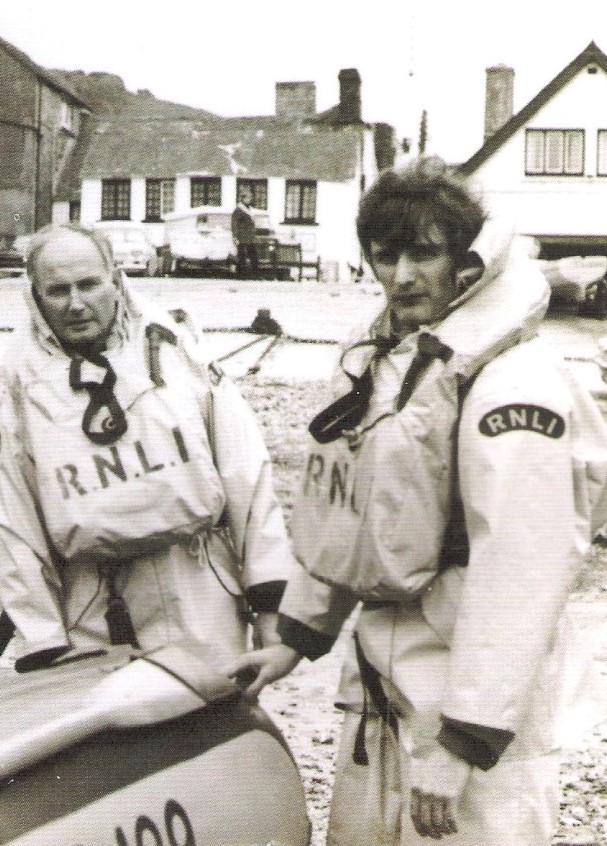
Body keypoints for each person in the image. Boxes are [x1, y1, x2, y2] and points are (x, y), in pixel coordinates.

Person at [230, 157, 607, 843]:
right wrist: (293, 638)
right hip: (380, 690)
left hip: (473, 719)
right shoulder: (389, 367)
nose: (401, 275)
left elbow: (520, 574)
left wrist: (463, 742)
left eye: (423, 254)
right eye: (385, 256)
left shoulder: (512, 386)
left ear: (467, 265)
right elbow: (354, 514)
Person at [0, 223, 294, 672]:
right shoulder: (24, 383)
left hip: (198, 586)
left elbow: (244, 471)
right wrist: (41, 637)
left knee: (210, 730)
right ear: (35, 296)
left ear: (115, 278)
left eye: (89, 284)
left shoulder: (175, 353)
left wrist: (270, 600)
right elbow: (15, 515)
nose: (76, 304)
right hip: (92, 604)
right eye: (58, 291)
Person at [232, 201, 258, 278]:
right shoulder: (238, 210)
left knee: (252, 255)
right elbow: (234, 223)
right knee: (242, 255)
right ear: (243, 199)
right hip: (242, 237)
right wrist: (235, 236)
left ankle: (253, 273)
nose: (250, 200)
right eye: (248, 198)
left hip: (249, 237)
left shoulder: (249, 209)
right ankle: (241, 274)